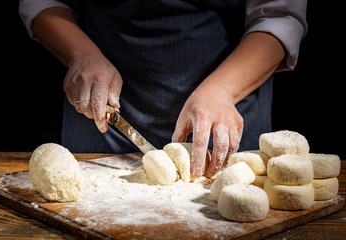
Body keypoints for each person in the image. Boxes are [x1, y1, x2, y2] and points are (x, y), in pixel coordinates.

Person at [19, 0, 307, 178]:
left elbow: (279, 15)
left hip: (226, 104)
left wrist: (223, 90)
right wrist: (80, 54)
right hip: (102, 110)